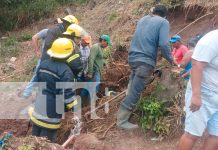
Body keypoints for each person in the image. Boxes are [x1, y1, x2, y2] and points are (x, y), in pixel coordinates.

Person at [117, 5, 173, 130]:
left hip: (132, 58)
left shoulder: (143, 19)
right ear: (164, 15)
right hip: (145, 60)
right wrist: (171, 60)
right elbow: (164, 44)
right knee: (136, 92)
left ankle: (132, 108)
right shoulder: (164, 22)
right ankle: (121, 121)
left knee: (133, 86)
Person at [29, 38, 78, 142]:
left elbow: (36, 85)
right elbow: (67, 96)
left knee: (33, 141)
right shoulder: (66, 71)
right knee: (46, 143)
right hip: (51, 116)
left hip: (37, 110)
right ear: (68, 54)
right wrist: (75, 108)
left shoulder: (43, 64)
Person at [178, 30, 218, 150]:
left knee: (216, 135)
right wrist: (196, 95)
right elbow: (196, 65)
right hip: (204, 92)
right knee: (192, 134)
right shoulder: (212, 39)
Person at [22, 15, 78, 98]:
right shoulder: (49, 31)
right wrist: (37, 51)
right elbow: (36, 38)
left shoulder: (67, 33)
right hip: (46, 58)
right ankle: (26, 94)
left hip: (57, 60)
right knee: (37, 76)